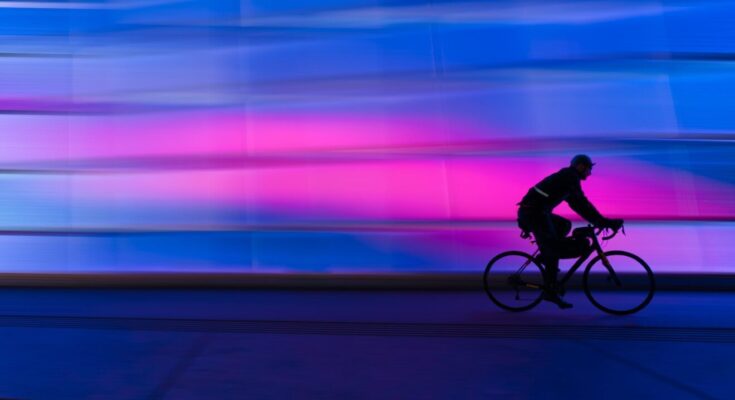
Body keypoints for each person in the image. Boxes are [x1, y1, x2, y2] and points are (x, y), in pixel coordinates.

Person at [517, 155, 623, 309]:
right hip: (533, 214)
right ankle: (550, 291)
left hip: (538, 212)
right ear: (580, 166)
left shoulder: (568, 177)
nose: (590, 173)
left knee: (564, 225)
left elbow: (579, 204)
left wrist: (600, 221)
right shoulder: (569, 178)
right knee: (553, 249)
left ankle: (545, 254)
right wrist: (603, 222)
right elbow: (581, 204)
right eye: (589, 169)